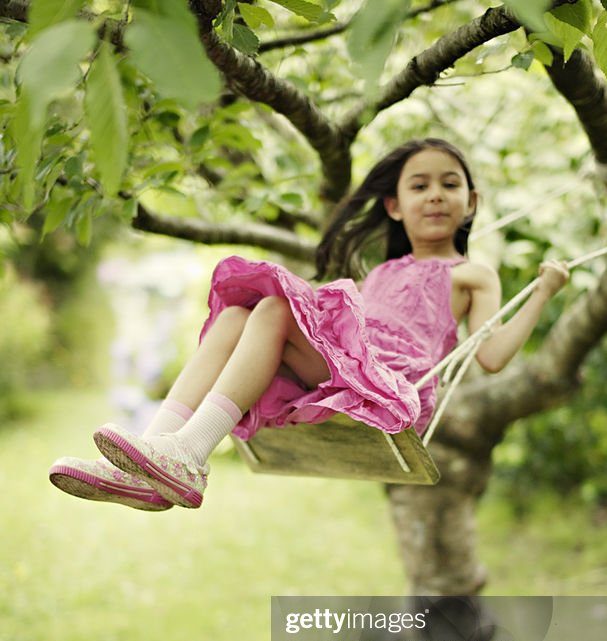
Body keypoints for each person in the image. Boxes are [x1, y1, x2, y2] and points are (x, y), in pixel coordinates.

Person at [49, 138, 569, 510]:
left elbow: (492, 355)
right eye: (420, 185)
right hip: (350, 365)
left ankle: (189, 455)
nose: (435, 194)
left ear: (471, 203)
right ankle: (152, 455)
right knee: (235, 313)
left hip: (393, 383)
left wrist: (542, 292)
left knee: (274, 307)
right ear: (394, 206)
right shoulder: (382, 271)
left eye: (449, 184)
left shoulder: (472, 274)